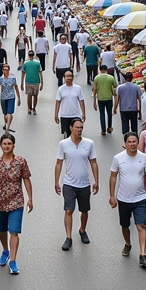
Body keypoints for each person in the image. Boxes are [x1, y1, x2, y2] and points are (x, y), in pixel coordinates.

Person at [0, 133, 32, 275]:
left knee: (14, 231)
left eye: (9, 144)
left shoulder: (21, 162)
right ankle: (6, 250)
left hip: (16, 201)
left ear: (14, 145)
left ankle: (13, 261)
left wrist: (30, 198)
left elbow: (26, 179)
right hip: (0, 201)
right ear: (1, 145)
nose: (7, 146)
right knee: (2, 229)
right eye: (4, 144)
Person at [54, 117, 98, 251]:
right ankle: (68, 237)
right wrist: (56, 181)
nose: (79, 130)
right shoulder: (63, 144)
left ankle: (82, 230)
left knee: (84, 210)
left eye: (81, 128)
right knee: (69, 210)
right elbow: (59, 163)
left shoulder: (89, 143)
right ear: (71, 128)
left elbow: (94, 162)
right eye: (77, 127)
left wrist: (96, 181)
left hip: (84, 184)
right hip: (69, 183)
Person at [110, 131, 146, 268]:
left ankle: (143, 255)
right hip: (123, 198)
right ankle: (128, 244)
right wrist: (112, 195)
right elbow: (113, 176)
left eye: (134, 141)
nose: (132, 144)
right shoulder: (118, 158)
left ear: (138, 142)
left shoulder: (144, 157)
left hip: (140, 198)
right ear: (125, 143)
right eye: (129, 142)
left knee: (141, 225)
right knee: (125, 225)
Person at [54, 69, 86, 136]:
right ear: (64, 78)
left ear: (73, 77)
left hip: (76, 115)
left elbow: (81, 101)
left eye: (71, 76)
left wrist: (83, 113)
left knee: (76, 135)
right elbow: (58, 102)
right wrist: (56, 115)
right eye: (67, 76)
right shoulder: (61, 89)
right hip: (65, 115)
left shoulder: (78, 88)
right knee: (67, 135)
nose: (69, 78)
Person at [0, 64, 20, 133]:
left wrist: (19, 98)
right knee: (5, 113)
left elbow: (16, 88)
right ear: (2, 70)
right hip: (3, 97)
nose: (6, 71)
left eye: (7, 70)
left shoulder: (12, 78)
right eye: (4, 70)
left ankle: (7, 128)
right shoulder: (0, 79)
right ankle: (6, 123)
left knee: (9, 113)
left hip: (11, 97)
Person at [93, 64, 117, 135]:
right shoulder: (111, 78)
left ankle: (103, 130)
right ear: (106, 70)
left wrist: (94, 102)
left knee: (102, 114)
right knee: (109, 113)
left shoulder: (96, 78)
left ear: (100, 70)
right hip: (109, 98)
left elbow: (94, 90)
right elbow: (115, 86)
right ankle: (109, 127)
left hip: (100, 99)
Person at [116, 73, 142, 137]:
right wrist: (139, 111)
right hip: (133, 109)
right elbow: (139, 100)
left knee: (125, 126)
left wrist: (114, 108)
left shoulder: (120, 87)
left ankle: (126, 140)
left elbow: (117, 99)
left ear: (125, 78)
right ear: (132, 78)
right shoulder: (137, 87)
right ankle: (135, 140)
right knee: (134, 126)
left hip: (123, 109)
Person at [20, 50, 43, 116]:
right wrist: (42, 83)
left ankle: (29, 108)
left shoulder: (25, 63)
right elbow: (40, 73)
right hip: (36, 82)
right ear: (33, 55)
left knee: (29, 95)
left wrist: (22, 83)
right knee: (35, 96)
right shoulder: (37, 63)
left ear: (28, 55)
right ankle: (33, 108)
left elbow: (23, 73)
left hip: (28, 81)